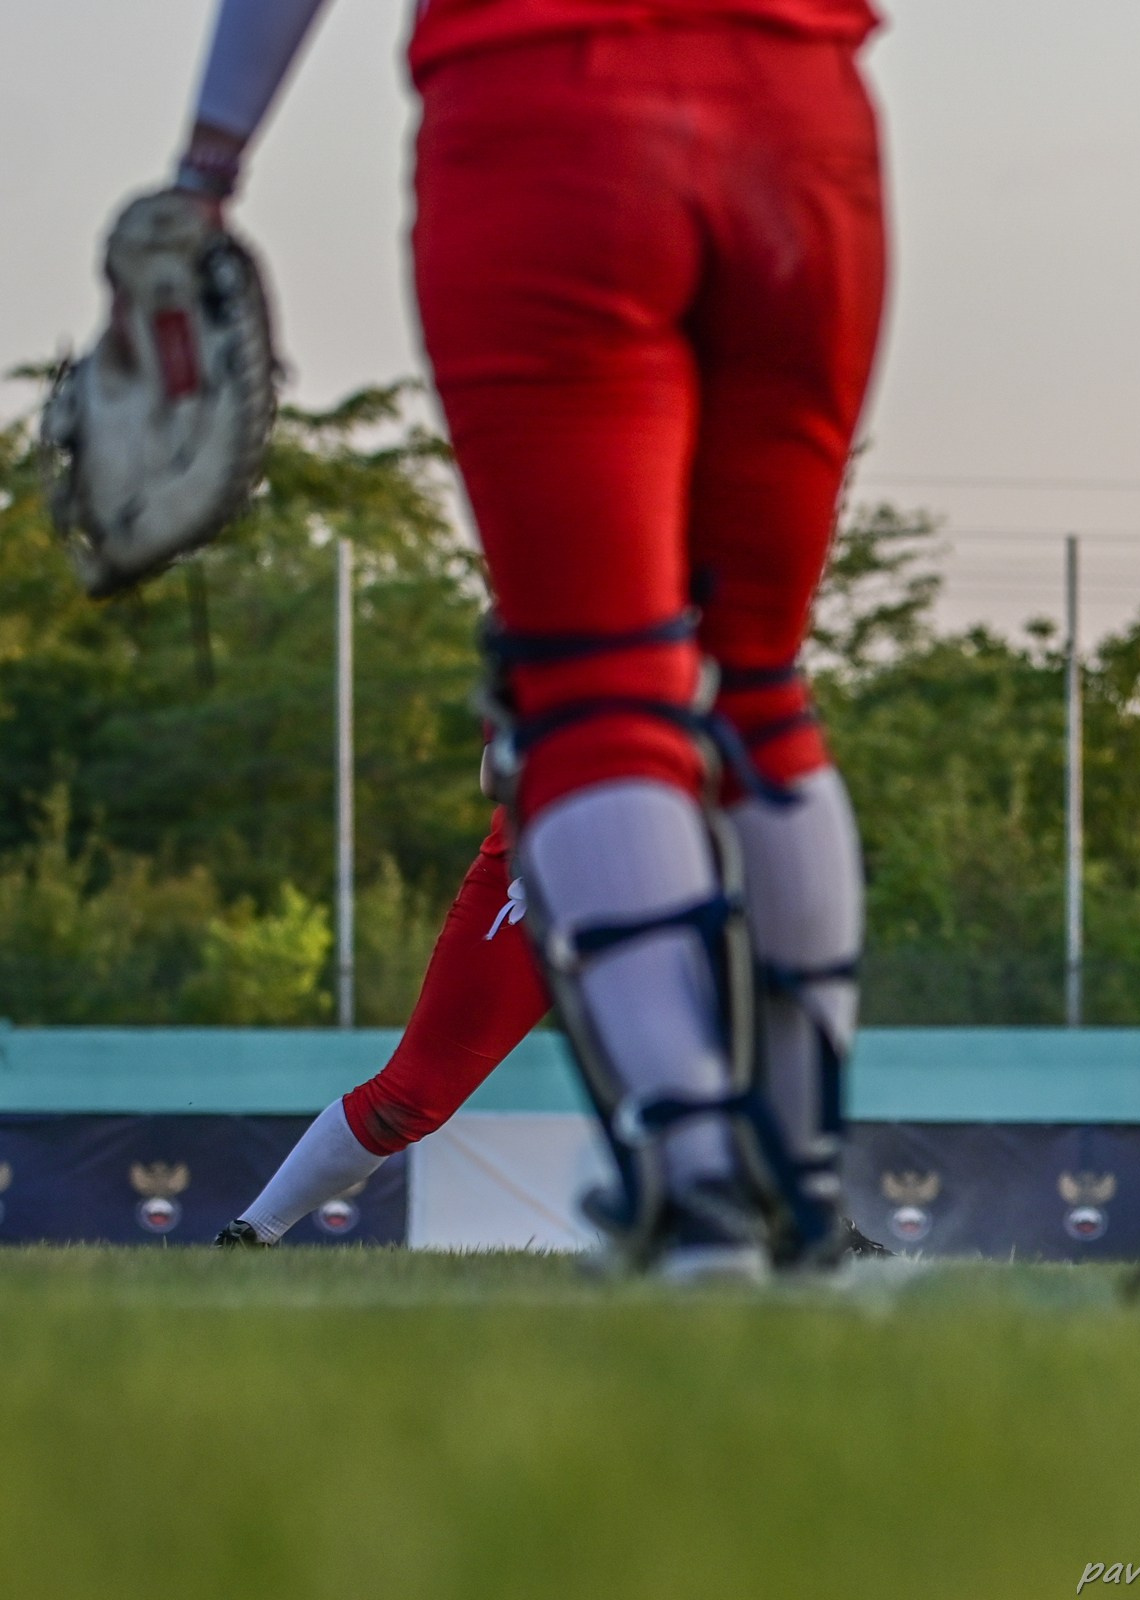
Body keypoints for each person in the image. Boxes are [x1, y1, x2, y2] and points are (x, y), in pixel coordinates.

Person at [169, 0, 887, 1279]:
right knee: (762, 688)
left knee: (602, 692)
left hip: (545, 102)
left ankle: (704, 1188)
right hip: (801, 104)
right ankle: (794, 1174)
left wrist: (207, 167)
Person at [214, 796, 890, 1255]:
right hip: (547, 860)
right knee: (414, 1092)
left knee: (738, 1045)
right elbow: (496, 764)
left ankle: (807, 1222)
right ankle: (254, 1232)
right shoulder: (545, 599)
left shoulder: (702, 600)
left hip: (674, 862)